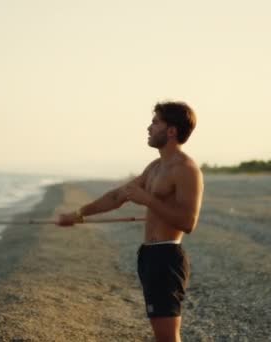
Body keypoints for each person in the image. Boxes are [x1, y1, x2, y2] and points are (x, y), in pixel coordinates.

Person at [57, 101, 204, 342]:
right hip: (149, 256)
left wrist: (148, 200)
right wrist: (78, 214)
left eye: (156, 122)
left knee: (168, 337)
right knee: (160, 333)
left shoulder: (186, 169)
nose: (149, 127)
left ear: (171, 131)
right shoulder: (155, 167)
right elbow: (118, 196)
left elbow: (189, 223)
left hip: (167, 257)